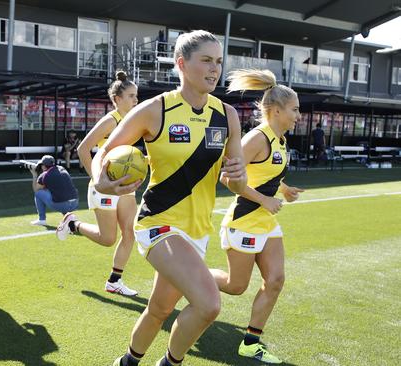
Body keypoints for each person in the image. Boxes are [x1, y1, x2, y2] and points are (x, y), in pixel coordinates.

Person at [91, 31, 246, 366]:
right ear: (182, 64)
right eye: (206, 60)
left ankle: (127, 362)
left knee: (160, 308)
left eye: (218, 61)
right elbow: (104, 152)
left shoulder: (228, 116)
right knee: (209, 304)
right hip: (158, 222)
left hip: (197, 230)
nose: (214, 68)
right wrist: (101, 183)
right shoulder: (155, 110)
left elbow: (235, 182)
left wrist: (237, 176)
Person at [210, 69, 305, 364]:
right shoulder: (257, 138)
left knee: (275, 280)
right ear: (276, 111)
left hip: (266, 223)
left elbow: (266, 175)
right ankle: (189, 278)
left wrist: (284, 189)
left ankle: (251, 341)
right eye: (295, 110)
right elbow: (227, 178)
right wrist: (265, 199)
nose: (298, 116)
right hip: (244, 221)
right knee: (236, 286)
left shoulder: (280, 140)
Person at [56, 70, 139, 296]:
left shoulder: (134, 120)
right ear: (117, 100)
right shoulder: (110, 121)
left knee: (130, 232)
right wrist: (97, 179)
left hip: (124, 186)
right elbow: (83, 149)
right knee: (107, 239)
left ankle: (114, 281)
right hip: (104, 186)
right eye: (131, 96)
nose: (135, 100)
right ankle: (74, 224)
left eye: (136, 96)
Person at [30, 155, 78, 226]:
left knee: (38, 193)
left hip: (63, 205)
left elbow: (36, 189)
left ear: (44, 166)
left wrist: (34, 175)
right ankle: (68, 217)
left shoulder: (44, 175)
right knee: (59, 194)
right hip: (75, 203)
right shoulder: (62, 168)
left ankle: (42, 219)